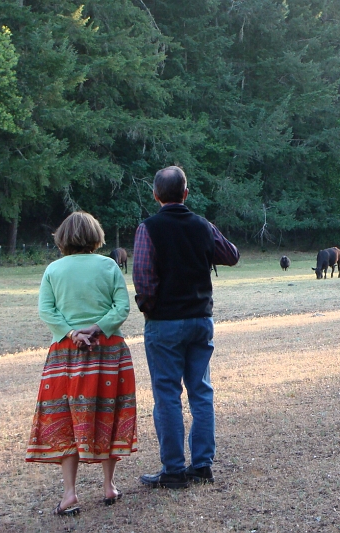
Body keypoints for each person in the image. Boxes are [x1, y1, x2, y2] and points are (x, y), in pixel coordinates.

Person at [133, 165, 239, 488]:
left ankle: (174, 471)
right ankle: (203, 465)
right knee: (201, 392)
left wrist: (150, 308)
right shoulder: (202, 225)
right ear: (186, 193)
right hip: (200, 320)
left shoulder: (148, 228)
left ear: (155, 195)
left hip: (164, 323)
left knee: (167, 395)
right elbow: (231, 255)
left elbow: (143, 277)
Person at [26, 211, 138, 516]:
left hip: (66, 354)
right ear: (96, 236)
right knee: (108, 414)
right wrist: (98, 328)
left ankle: (70, 494)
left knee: (67, 418)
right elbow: (123, 306)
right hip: (109, 351)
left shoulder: (53, 270)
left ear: (62, 238)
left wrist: (72, 332)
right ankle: (108, 486)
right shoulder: (109, 265)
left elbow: (46, 310)